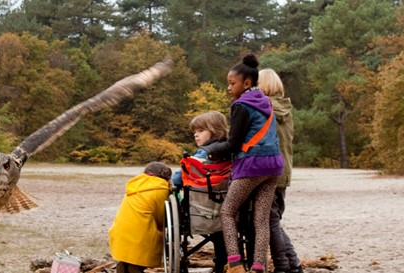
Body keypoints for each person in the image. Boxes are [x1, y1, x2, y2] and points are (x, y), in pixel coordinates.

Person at [206, 53, 284, 273]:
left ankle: (235, 264)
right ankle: (258, 266)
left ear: (246, 83)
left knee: (228, 212)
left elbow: (233, 144)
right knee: (261, 220)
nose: (229, 88)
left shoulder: (241, 105)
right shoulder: (266, 102)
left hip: (252, 166)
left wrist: (209, 150)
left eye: (232, 83)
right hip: (274, 165)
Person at [170, 111, 230, 273]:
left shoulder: (203, 153)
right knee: (221, 233)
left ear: (215, 130)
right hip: (226, 211)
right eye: (194, 132)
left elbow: (181, 176)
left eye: (200, 131)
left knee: (175, 196)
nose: (196, 135)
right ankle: (221, 264)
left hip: (200, 211)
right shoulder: (232, 152)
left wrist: (169, 184)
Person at [259, 68, 303, 273]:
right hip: (284, 171)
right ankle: (293, 264)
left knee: (270, 220)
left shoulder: (264, 110)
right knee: (273, 219)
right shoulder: (285, 108)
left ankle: (285, 266)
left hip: (268, 170)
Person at [108, 161, 172, 273]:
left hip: (120, 230)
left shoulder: (137, 184)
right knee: (135, 265)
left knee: (124, 261)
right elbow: (161, 217)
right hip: (140, 234)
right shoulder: (160, 189)